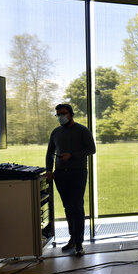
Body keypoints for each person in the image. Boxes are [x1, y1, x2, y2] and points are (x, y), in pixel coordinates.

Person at [45, 103, 96, 256]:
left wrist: (72, 155)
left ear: (70, 114)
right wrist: (49, 169)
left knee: (77, 207)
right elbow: (49, 153)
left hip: (78, 173)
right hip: (60, 174)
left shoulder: (82, 130)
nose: (60, 116)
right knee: (68, 207)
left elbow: (91, 149)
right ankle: (72, 238)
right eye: (58, 114)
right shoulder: (55, 132)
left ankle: (79, 243)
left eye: (63, 113)